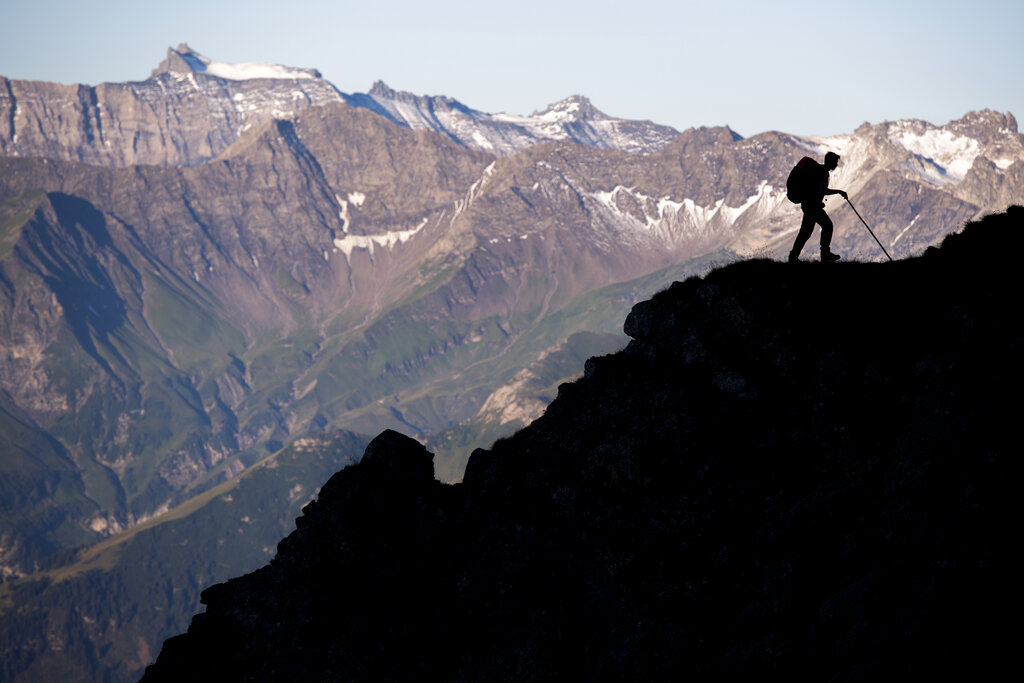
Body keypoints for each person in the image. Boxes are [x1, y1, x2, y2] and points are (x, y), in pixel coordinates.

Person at [789, 151, 848, 262]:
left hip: (809, 205)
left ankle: (794, 256)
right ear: (829, 161)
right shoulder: (822, 173)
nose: (836, 164)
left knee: (806, 232)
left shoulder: (819, 171)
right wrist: (839, 192)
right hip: (812, 206)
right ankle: (824, 254)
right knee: (826, 226)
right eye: (835, 162)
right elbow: (823, 190)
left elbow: (819, 191)